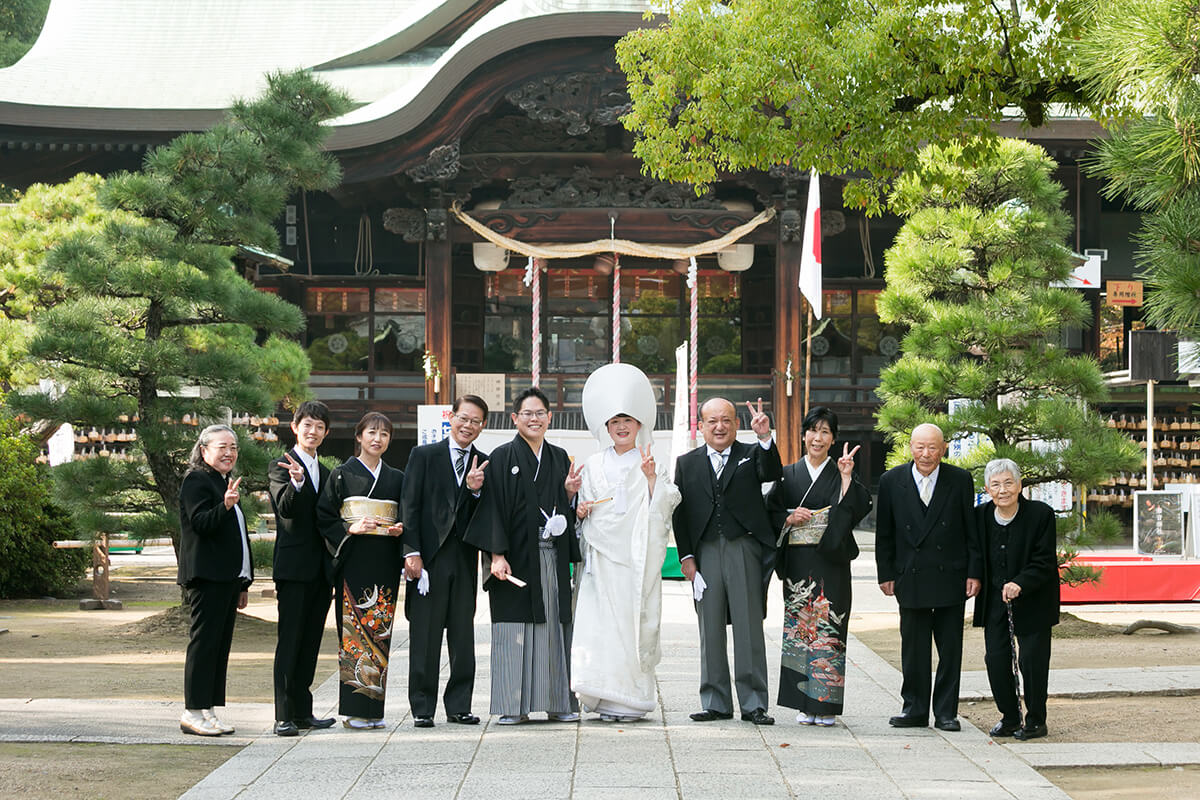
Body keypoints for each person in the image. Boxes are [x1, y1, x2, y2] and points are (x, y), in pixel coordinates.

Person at [464, 387, 582, 725]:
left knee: (554, 627)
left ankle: (559, 702)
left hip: (551, 557)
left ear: (549, 417)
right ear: (515, 418)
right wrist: (496, 555)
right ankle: (512, 705)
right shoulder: (501, 457)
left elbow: (563, 510)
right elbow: (492, 508)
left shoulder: (559, 458)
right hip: (513, 559)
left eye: (540, 413)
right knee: (513, 629)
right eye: (527, 414)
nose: (534, 419)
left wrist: (569, 494)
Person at [572, 364, 681, 721]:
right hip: (600, 559)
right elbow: (583, 508)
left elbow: (666, 504)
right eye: (615, 422)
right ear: (606, 427)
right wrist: (581, 510)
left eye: (628, 421)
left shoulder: (649, 462)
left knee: (631, 622)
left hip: (634, 558)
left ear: (638, 425)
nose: (621, 427)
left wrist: (651, 481)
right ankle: (601, 695)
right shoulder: (593, 464)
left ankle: (631, 698)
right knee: (599, 626)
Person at [673, 397, 782, 726]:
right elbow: (680, 512)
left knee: (749, 625)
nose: (719, 427)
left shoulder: (751, 454)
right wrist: (686, 556)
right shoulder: (686, 463)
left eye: (726, 420)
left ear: (736, 424)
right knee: (709, 626)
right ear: (701, 426)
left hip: (743, 547)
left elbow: (772, 472)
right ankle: (715, 700)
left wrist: (764, 437)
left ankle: (754, 702)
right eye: (712, 421)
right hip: (705, 551)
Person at [767, 406, 871, 727]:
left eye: (825, 432)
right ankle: (802, 702)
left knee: (829, 629)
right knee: (800, 631)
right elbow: (768, 511)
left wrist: (846, 477)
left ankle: (825, 705)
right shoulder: (787, 474)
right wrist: (788, 517)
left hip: (831, 563)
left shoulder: (840, 472)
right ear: (804, 435)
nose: (818, 437)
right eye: (813, 430)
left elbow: (857, 508)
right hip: (798, 564)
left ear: (833, 439)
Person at [875, 422, 982, 731]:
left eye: (932, 447)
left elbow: (971, 529)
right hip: (910, 574)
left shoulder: (959, 480)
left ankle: (946, 712)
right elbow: (885, 533)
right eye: (920, 447)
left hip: (951, 573)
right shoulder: (891, 480)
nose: (925, 454)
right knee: (913, 648)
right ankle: (914, 708)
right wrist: (885, 573)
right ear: (910, 447)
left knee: (950, 648)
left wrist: (974, 572)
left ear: (943, 449)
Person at [400, 395, 490, 728]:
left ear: (482, 426)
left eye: (475, 421)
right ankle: (422, 707)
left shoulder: (484, 462)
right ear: (451, 417)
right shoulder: (423, 455)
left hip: (464, 559)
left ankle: (459, 705)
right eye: (463, 418)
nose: (468, 425)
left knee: (463, 636)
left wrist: (474, 491)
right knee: (425, 634)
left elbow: (485, 514)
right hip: (429, 560)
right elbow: (409, 505)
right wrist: (411, 551)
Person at [317, 412, 405, 729]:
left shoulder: (397, 478)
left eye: (384, 434)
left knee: (379, 633)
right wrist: (350, 528)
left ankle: (374, 711)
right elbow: (324, 516)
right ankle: (355, 710)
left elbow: (406, 515)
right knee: (354, 633)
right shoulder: (341, 474)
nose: (377, 439)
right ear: (359, 437)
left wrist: (400, 529)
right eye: (371, 432)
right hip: (354, 561)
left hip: (384, 561)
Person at [974, 458, 1059, 741]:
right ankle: (1009, 717)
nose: (1003, 490)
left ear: (1020, 485)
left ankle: (1035, 720)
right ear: (987, 489)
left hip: (1034, 599)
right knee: (996, 659)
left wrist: (1020, 582)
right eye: (996, 485)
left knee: (1032, 661)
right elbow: (974, 552)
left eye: (1009, 483)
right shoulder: (980, 516)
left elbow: (1044, 560)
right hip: (995, 600)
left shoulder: (1041, 514)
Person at [177, 424, 253, 736]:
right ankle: (192, 711)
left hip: (228, 578)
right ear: (204, 450)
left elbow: (237, 536)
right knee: (204, 644)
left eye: (233, 447)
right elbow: (200, 524)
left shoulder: (224, 481)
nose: (229, 453)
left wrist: (243, 583)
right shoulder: (196, 479)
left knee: (219, 647)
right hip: (207, 576)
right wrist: (225, 505)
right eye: (222, 447)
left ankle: (207, 709)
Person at [267, 400, 336, 737]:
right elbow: (286, 511)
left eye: (320, 427)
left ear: (326, 433)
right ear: (295, 427)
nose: (313, 431)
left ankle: (303, 711)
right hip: (293, 569)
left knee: (310, 642)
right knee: (290, 641)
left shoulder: (326, 471)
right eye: (307, 425)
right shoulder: (281, 465)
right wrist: (296, 483)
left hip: (321, 572)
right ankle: (283, 715)